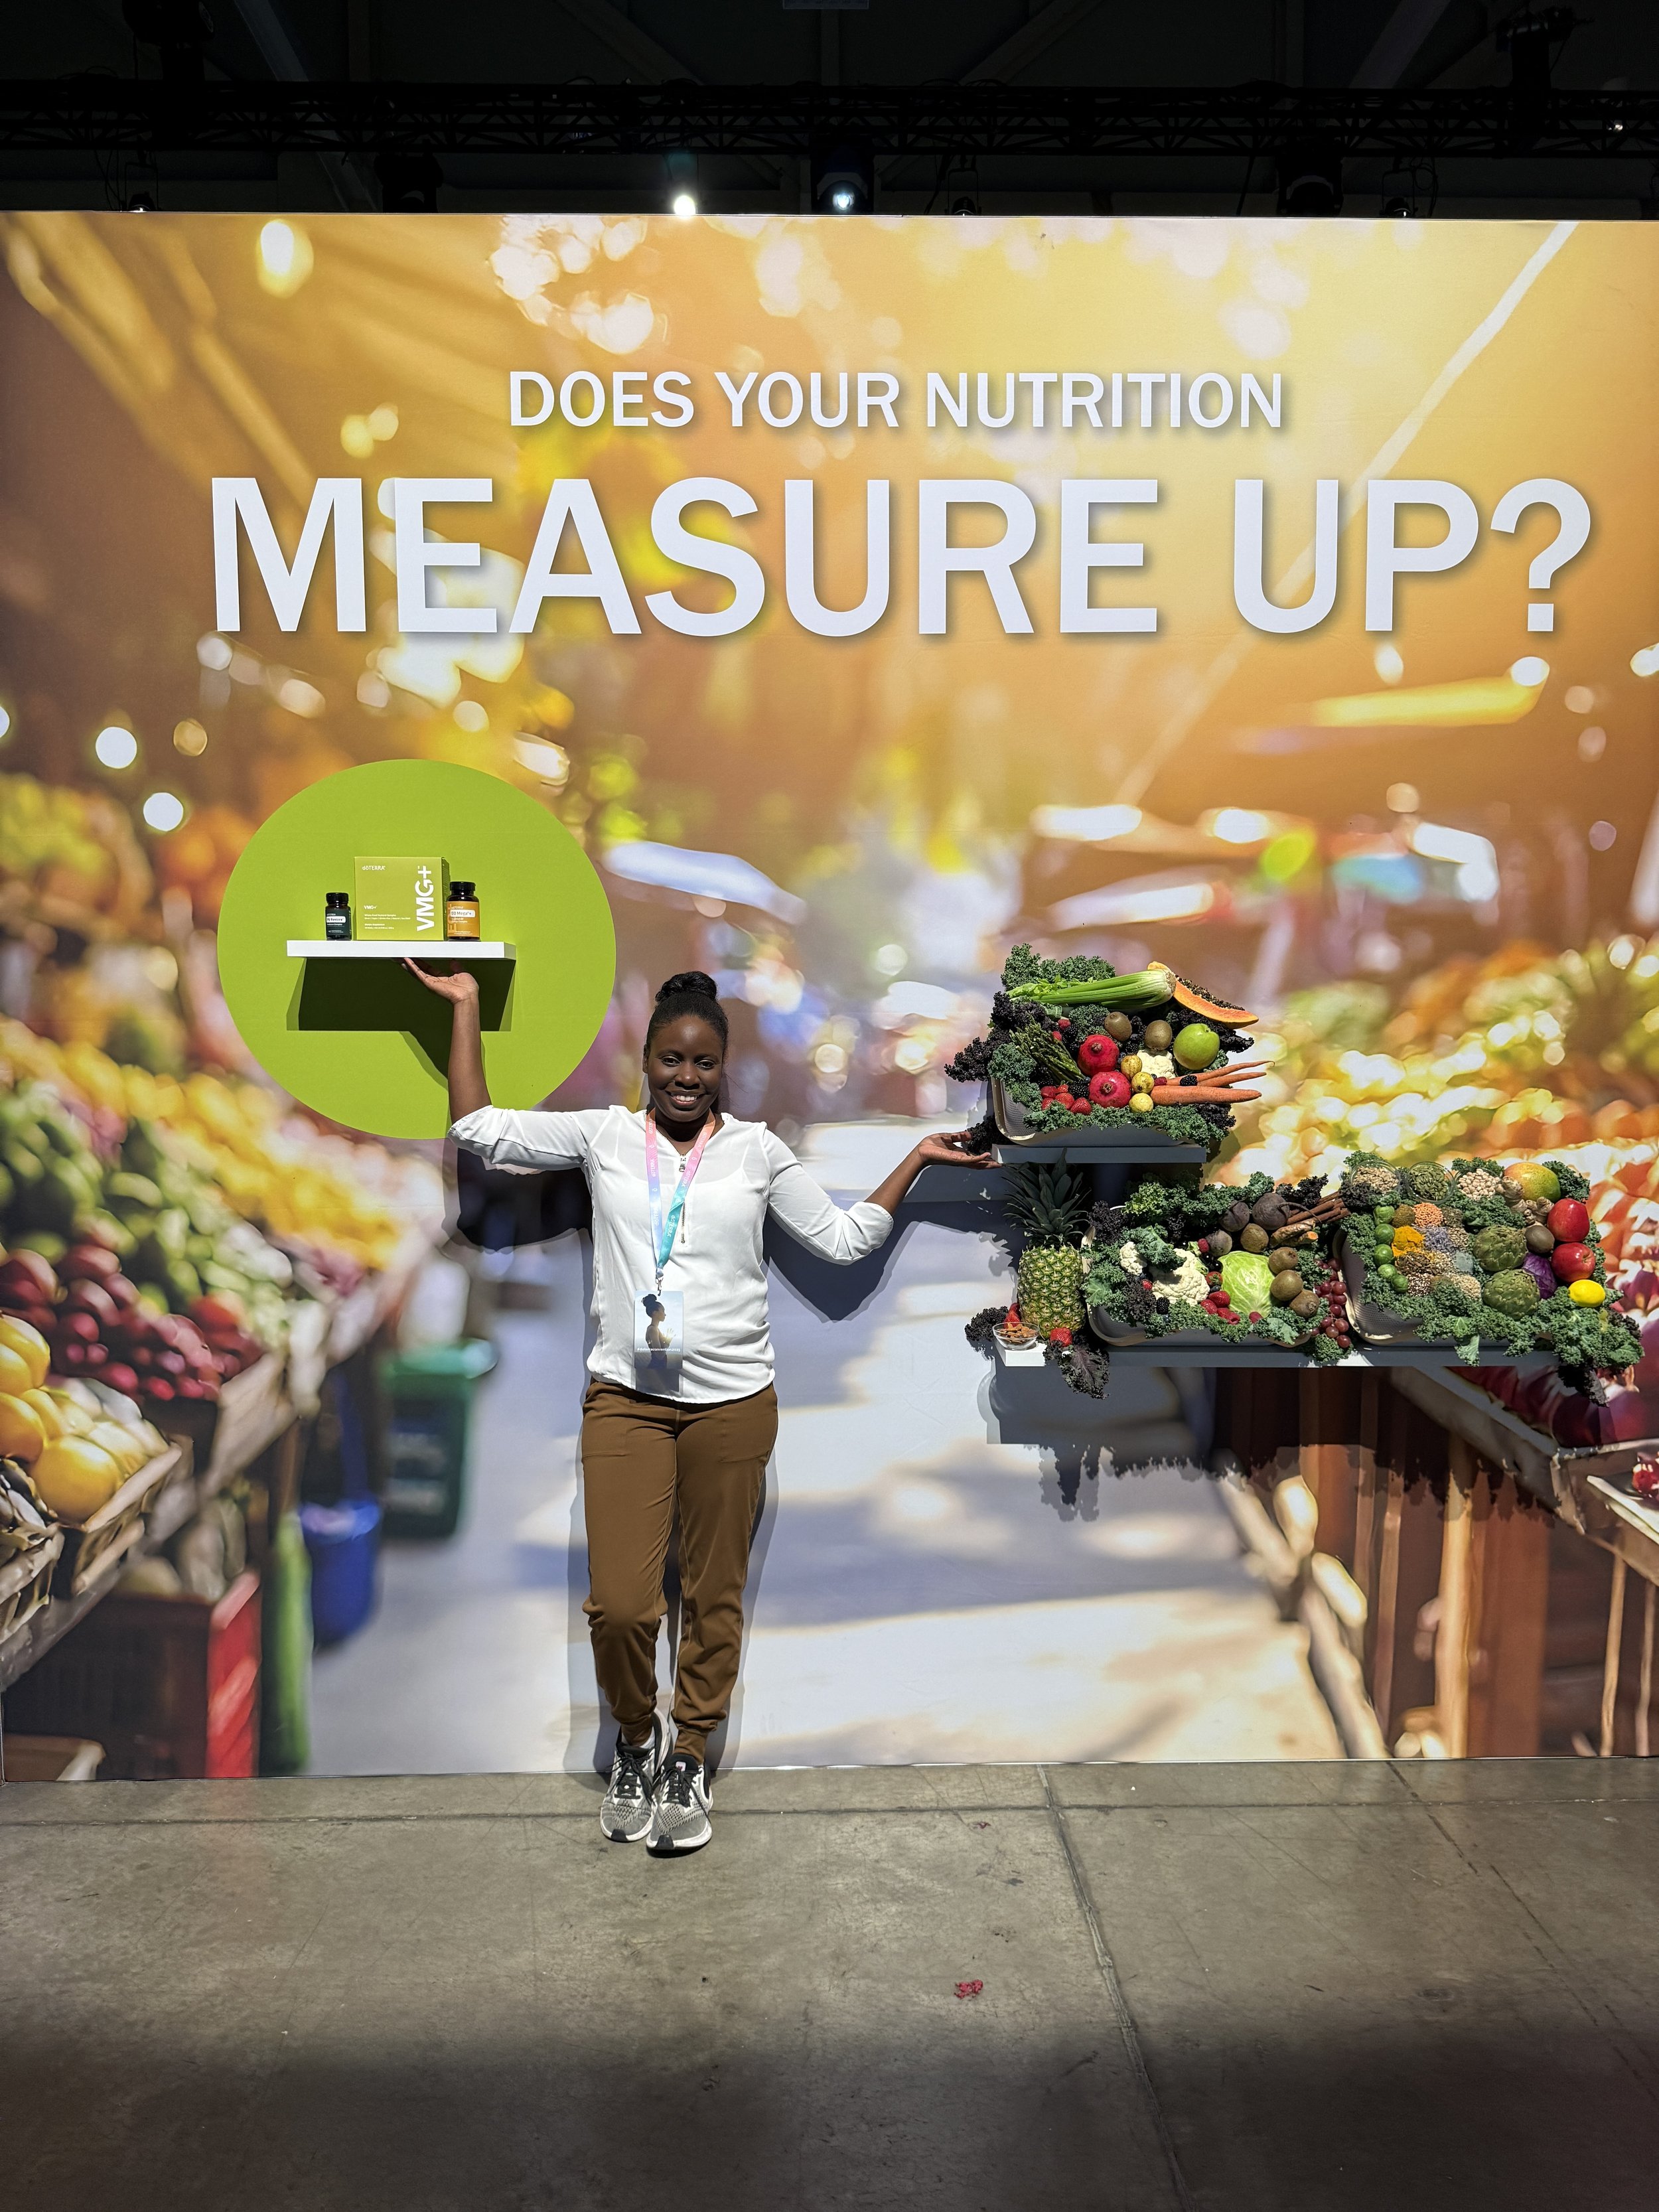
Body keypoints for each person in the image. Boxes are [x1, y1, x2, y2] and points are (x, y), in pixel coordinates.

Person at [407, 962, 990, 1856]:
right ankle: (636, 1740)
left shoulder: (757, 1152)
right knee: (623, 1607)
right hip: (627, 1402)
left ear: (724, 1068)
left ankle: (687, 1758)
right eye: (672, 1059)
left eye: (704, 1062)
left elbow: (840, 1241)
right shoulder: (604, 1137)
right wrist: (467, 1009)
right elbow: (480, 1129)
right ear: (646, 1060)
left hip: (731, 1407)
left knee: (712, 1600)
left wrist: (912, 1160)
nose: (687, 1076)